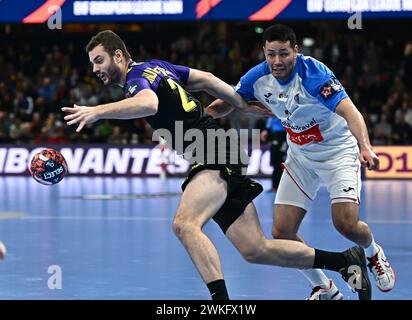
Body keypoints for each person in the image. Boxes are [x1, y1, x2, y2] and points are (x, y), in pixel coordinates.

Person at [62, 30, 372, 300]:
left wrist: (98, 111)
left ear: (118, 55)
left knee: (184, 224)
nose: (95, 68)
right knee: (256, 250)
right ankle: (344, 261)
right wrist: (243, 105)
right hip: (217, 148)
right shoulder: (156, 66)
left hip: (212, 151)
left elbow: (148, 104)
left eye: (99, 60)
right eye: (92, 63)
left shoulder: (135, 79)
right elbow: (208, 80)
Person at [207, 24, 395, 300]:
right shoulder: (257, 78)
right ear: (264, 53)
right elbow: (230, 101)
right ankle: (325, 288)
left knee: (346, 225)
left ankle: (372, 253)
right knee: (282, 232)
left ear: (296, 50)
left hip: (337, 153)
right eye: (271, 54)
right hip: (300, 157)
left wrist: (365, 147)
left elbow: (350, 111)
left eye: (284, 53)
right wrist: (202, 118)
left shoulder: (313, 74)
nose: (277, 61)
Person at [260, 117, 286, 192]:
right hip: (275, 135)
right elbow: (270, 120)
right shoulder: (272, 114)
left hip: (282, 135)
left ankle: (278, 187)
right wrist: (266, 130)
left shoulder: (281, 110)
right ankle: (275, 186)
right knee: (275, 163)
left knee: (279, 163)